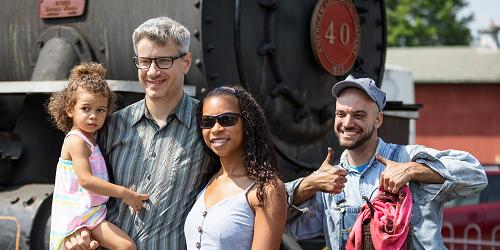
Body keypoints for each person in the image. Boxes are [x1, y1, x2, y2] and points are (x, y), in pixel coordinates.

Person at [285, 75, 488, 250]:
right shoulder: (327, 181)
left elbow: (476, 175)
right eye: (341, 114)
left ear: (378, 119)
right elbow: (276, 220)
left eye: (359, 115)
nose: (347, 123)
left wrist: (414, 170)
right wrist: (308, 185)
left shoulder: (407, 158)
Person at [63, 17, 213, 249]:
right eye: (144, 61)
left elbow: (236, 185)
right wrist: (75, 230)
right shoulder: (110, 126)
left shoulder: (207, 126)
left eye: (163, 61)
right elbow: (74, 185)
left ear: (185, 62)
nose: (152, 72)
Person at [47, 62, 149, 250]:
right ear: (70, 109)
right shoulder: (76, 141)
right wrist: (124, 193)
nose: (93, 116)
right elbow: (85, 180)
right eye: (86, 108)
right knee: (126, 247)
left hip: (92, 214)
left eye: (100, 110)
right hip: (79, 216)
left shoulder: (92, 140)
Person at [184, 86, 287, 249]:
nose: (216, 129)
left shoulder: (266, 189)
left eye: (227, 119)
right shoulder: (207, 180)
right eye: (207, 122)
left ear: (247, 123)